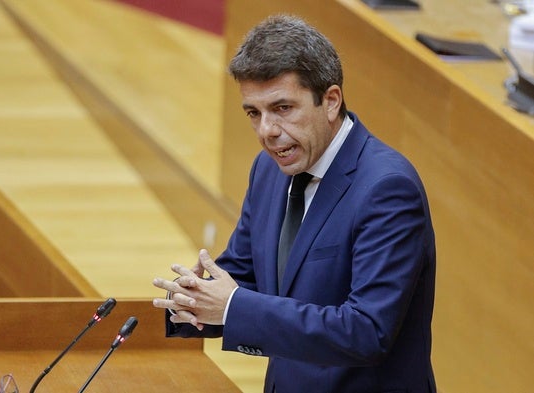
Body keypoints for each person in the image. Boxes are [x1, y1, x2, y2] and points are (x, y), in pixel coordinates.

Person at [152, 14, 436, 393]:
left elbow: (367, 331)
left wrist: (233, 307)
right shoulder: (269, 171)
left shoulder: (387, 189)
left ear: (331, 101)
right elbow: (245, 275)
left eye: (282, 108)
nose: (267, 131)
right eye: (254, 113)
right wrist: (188, 301)